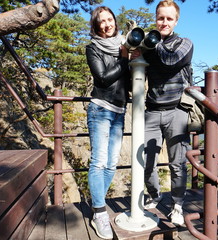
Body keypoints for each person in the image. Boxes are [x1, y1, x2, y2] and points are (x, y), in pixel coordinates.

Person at [135, 0, 194, 227]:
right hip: (152, 110)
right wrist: (133, 54)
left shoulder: (185, 43)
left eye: (169, 19)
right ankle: (154, 194)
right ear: (156, 18)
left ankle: (177, 205)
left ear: (176, 20)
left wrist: (152, 42)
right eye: (161, 18)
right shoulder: (150, 47)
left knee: (177, 163)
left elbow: (170, 61)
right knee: (146, 162)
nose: (164, 22)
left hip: (177, 110)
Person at [85, 6, 130, 239]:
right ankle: (100, 212)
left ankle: (96, 204)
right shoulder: (93, 48)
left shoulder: (125, 45)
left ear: (115, 21)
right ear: (96, 25)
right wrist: (124, 60)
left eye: (109, 19)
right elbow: (102, 78)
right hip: (100, 109)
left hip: (119, 111)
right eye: (101, 21)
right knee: (99, 162)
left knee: (112, 164)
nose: (107, 24)